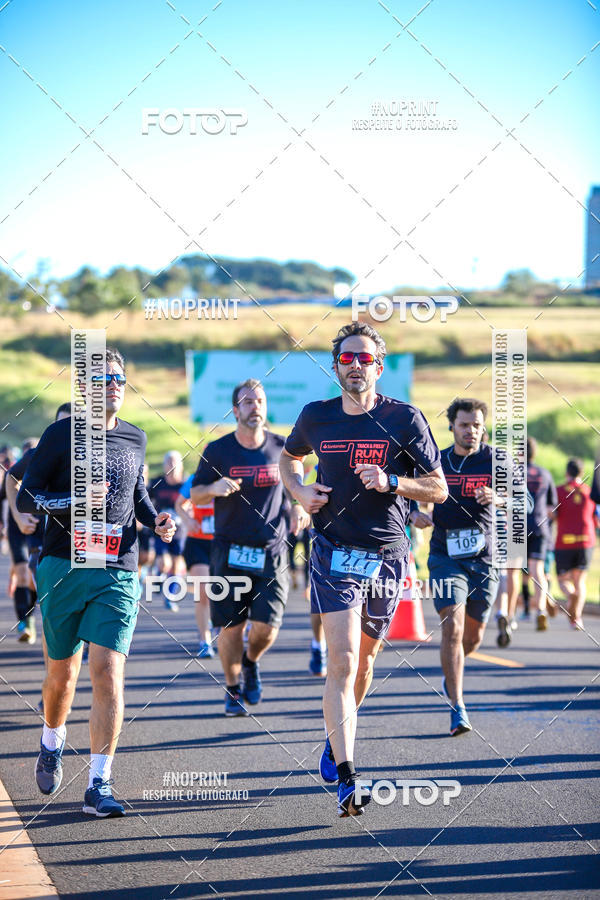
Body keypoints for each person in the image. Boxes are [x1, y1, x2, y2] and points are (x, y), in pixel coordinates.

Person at [280, 322, 447, 818]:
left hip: (389, 555)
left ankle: (334, 744)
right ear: (336, 366)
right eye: (347, 358)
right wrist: (300, 492)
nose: (356, 365)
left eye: (365, 358)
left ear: (379, 365)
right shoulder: (316, 417)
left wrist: (393, 480)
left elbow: (437, 489)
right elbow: (288, 460)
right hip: (333, 549)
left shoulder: (405, 419)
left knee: (366, 663)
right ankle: (349, 779)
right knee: (344, 660)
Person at [17, 348, 175, 817]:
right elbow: (27, 497)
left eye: (120, 378)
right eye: (104, 378)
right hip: (64, 565)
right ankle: (52, 739)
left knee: (107, 670)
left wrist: (156, 521)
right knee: (61, 675)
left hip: (118, 568)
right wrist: (73, 500)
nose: (113, 385)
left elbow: (138, 494)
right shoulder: (61, 434)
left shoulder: (135, 437)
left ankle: (99, 784)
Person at [191, 378, 310, 717]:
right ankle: (232, 689)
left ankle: (251, 661)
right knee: (230, 628)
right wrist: (215, 486)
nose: (254, 406)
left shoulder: (282, 447)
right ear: (235, 410)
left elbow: (296, 484)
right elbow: (195, 493)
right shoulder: (218, 450)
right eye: (247, 402)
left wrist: (299, 505)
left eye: (259, 401)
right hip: (229, 551)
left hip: (271, 549)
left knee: (267, 627)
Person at [415, 398, 504, 737]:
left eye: (477, 425)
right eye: (465, 424)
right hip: (444, 555)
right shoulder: (437, 461)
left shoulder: (496, 460)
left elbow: (523, 499)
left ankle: (452, 669)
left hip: (484, 559)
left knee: (473, 638)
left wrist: (499, 499)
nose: (472, 431)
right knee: (451, 627)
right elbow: (410, 495)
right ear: (452, 426)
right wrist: (415, 515)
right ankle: (458, 706)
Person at [554, 458, 597, 629]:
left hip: (564, 542)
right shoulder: (589, 491)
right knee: (581, 581)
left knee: (563, 580)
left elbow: (553, 514)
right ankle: (577, 619)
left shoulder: (559, 491)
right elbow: (596, 518)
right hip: (586, 541)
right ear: (581, 473)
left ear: (567, 472)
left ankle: (571, 596)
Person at [175, 472, 215, 657]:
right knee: (204, 591)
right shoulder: (196, 478)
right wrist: (188, 520)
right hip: (198, 541)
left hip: (224, 542)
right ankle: (204, 639)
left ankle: (221, 629)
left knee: (227, 591)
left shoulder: (231, 475)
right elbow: (179, 504)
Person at [149, 451, 186, 611]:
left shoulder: (185, 484)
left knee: (177, 564)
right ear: (164, 465)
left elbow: (192, 501)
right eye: (169, 462)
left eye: (175, 462)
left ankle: (170, 597)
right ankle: (159, 574)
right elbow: (144, 499)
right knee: (165, 563)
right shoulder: (157, 482)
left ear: (181, 465)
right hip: (161, 528)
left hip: (180, 529)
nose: (172, 465)